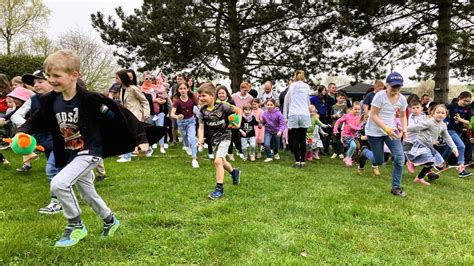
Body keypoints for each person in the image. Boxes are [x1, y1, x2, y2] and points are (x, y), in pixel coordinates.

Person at [16, 49, 152, 247]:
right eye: (48, 76)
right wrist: (22, 132)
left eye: (56, 76)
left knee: (59, 184)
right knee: (87, 192)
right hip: (70, 153)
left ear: (74, 75)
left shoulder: (90, 99)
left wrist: (140, 137)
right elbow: (36, 121)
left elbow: (122, 113)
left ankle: (75, 224)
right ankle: (110, 220)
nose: (50, 80)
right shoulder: (50, 101)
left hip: (90, 151)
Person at [357, 72, 408, 197]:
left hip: (390, 130)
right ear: (387, 85)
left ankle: (396, 188)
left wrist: (405, 130)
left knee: (400, 158)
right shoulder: (379, 96)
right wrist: (386, 129)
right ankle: (364, 152)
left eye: (398, 88)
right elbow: (373, 115)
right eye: (393, 88)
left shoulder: (401, 98)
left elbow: (402, 115)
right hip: (375, 131)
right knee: (378, 160)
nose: (395, 91)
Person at [197, 83, 242, 200]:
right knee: (222, 161)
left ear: (212, 96)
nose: (201, 98)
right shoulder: (201, 111)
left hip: (226, 136)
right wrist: (200, 138)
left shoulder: (223, 106)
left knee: (217, 161)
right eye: (200, 96)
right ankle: (234, 172)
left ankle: (219, 190)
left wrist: (238, 124)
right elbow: (201, 127)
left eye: (203, 96)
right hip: (214, 139)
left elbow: (238, 110)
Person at [407, 104, 457, 185]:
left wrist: (454, 147)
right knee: (430, 161)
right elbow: (416, 127)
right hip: (421, 144)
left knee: (438, 163)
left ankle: (419, 178)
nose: (440, 114)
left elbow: (447, 137)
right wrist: (404, 128)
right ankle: (412, 163)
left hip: (429, 146)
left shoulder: (443, 125)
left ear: (446, 115)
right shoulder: (429, 122)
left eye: (442, 113)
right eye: (438, 112)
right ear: (433, 113)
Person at [116, 69, 150, 162]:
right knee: (130, 134)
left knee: (129, 134)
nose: (116, 80)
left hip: (135, 114)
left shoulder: (133, 88)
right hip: (126, 115)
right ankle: (146, 149)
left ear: (123, 78)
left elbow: (144, 101)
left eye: (117, 78)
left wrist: (146, 114)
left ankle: (127, 156)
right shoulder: (121, 89)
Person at [284, 70, 311, 168]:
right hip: (304, 114)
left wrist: (285, 116)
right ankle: (303, 161)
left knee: (295, 139)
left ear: (295, 76)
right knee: (302, 138)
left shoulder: (292, 86)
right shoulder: (307, 87)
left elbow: (287, 101)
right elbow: (308, 102)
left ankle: (297, 161)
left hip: (294, 114)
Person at [443, 91, 472, 177]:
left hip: (459, 131)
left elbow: (469, 122)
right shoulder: (452, 106)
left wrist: (460, 120)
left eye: (468, 101)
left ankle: (439, 163)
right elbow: (441, 108)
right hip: (450, 130)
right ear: (459, 98)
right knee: (461, 146)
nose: (466, 103)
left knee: (449, 148)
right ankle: (461, 169)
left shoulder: (468, 108)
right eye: (465, 100)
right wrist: (443, 119)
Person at [171, 81, 199, 168]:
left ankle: (194, 159)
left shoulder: (192, 100)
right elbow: (171, 114)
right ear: (178, 90)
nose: (183, 90)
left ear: (188, 89)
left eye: (184, 88)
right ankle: (187, 146)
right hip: (181, 123)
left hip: (191, 121)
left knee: (192, 138)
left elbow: (200, 107)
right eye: (181, 89)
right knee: (185, 137)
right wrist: (177, 116)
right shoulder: (177, 101)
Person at [333, 101, 363, 166]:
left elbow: (359, 128)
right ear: (352, 109)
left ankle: (347, 158)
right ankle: (348, 158)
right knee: (353, 146)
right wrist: (335, 129)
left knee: (353, 147)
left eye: (358, 109)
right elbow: (338, 121)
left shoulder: (359, 118)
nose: (357, 111)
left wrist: (352, 127)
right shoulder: (347, 116)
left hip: (354, 136)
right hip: (346, 135)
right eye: (355, 109)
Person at [403, 98, 427, 174]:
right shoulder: (412, 117)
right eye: (413, 108)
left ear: (421, 108)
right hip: (409, 140)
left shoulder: (424, 116)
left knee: (423, 155)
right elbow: (414, 128)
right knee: (413, 155)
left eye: (417, 108)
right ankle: (409, 162)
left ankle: (427, 171)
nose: (415, 110)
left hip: (419, 140)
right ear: (410, 109)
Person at [330, 91, 349, 159]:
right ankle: (335, 152)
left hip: (342, 126)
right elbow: (331, 116)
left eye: (343, 98)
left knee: (341, 139)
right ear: (337, 98)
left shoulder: (345, 106)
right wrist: (334, 115)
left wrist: (342, 116)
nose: (342, 99)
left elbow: (347, 115)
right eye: (340, 98)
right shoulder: (333, 106)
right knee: (334, 140)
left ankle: (341, 152)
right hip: (334, 125)